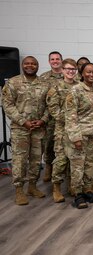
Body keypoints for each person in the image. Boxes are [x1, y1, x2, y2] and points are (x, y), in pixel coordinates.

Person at [2, 56, 49, 205]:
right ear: (23, 65)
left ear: (37, 65)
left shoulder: (44, 84)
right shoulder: (13, 83)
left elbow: (50, 106)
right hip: (20, 129)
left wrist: (43, 120)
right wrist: (24, 122)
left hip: (38, 129)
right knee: (20, 160)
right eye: (27, 63)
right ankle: (19, 190)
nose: (30, 65)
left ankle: (33, 187)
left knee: (36, 160)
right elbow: (8, 105)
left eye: (33, 63)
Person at [65, 62, 93, 209]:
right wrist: (75, 137)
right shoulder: (75, 90)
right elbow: (70, 115)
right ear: (82, 74)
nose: (92, 75)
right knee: (77, 166)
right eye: (88, 72)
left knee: (90, 165)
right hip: (80, 135)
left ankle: (88, 191)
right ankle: (77, 195)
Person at [46, 58, 79, 202]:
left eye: (73, 69)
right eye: (68, 69)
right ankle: (57, 188)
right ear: (63, 70)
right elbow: (53, 109)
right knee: (61, 159)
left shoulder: (80, 86)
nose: (70, 72)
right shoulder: (56, 87)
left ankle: (73, 186)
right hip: (62, 129)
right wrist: (70, 120)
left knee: (75, 159)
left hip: (77, 130)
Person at [40, 51, 63, 182]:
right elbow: (41, 99)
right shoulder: (43, 78)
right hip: (49, 119)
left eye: (57, 59)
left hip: (65, 119)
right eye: (52, 59)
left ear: (61, 60)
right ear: (49, 61)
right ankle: (48, 167)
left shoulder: (68, 75)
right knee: (48, 144)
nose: (55, 61)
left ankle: (63, 172)